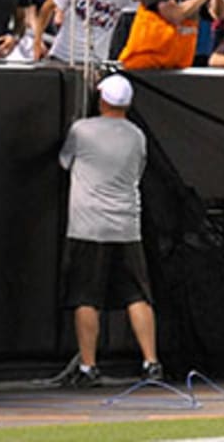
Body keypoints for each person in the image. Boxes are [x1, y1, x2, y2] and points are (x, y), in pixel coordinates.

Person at [58, 75, 161, 386]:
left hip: (89, 227)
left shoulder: (82, 130)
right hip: (127, 225)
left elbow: (65, 162)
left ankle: (88, 366)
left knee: (85, 297)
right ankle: (151, 362)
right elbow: (139, 170)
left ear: (102, 99)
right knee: (137, 295)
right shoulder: (137, 136)